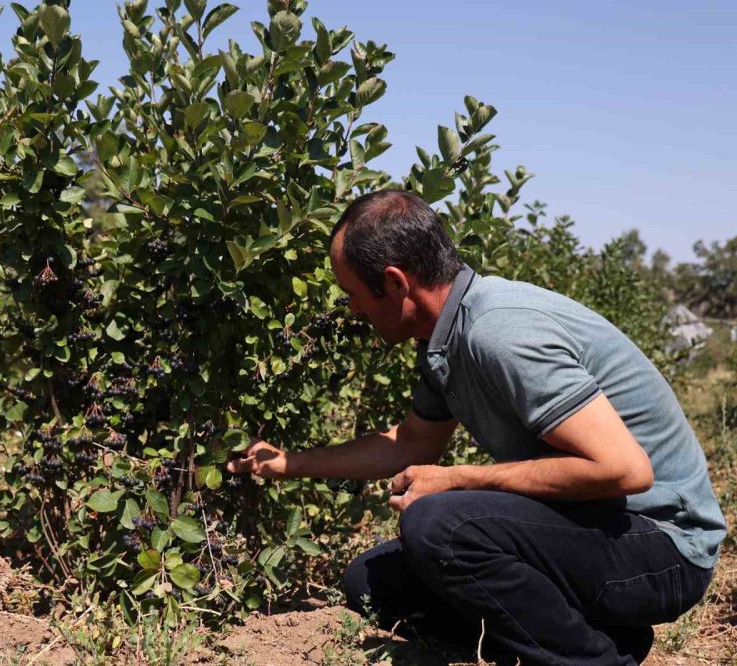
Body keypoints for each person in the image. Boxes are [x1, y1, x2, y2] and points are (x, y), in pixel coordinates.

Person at [226, 190, 725, 665]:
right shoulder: (444, 339)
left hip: (663, 548)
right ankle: (605, 635)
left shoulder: (497, 331)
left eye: (354, 294)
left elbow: (624, 470)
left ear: (397, 283)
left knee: (438, 525)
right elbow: (412, 443)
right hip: (598, 530)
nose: (352, 309)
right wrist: (290, 463)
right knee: (371, 583)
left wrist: (459, 477)